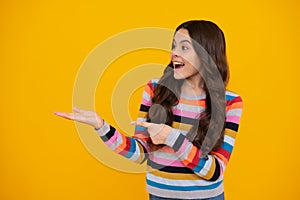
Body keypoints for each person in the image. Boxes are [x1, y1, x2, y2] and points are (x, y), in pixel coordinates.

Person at [54, 20, 243, 200]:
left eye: (184, 47)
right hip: (158, 195)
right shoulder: (156, 90)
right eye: (173, 46)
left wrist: (171, 138)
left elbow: (215, 172)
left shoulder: (230, 102)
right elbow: (140, 153)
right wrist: (101, 126)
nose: (174, 53)